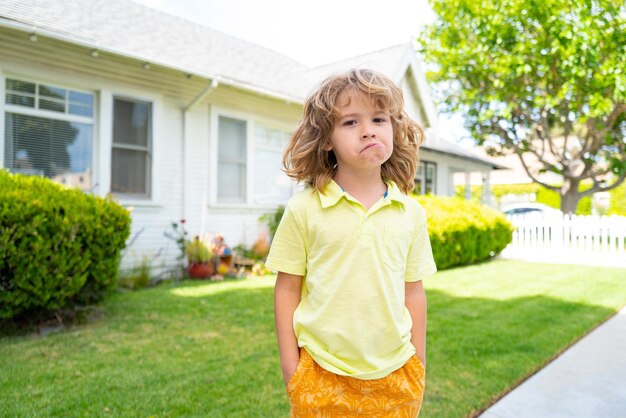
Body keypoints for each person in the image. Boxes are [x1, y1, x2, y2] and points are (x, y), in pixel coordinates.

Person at [266, 69, 437, 417]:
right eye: (349, 122)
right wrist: (291, 368)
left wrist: (417, 362)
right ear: (326, 139)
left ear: (393, 128)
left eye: (379, 118)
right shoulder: (304, 209)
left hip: (396, 372)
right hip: (320, 371)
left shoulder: (411, 213)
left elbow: (413, 291)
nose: (369, 129)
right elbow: (287, 290)